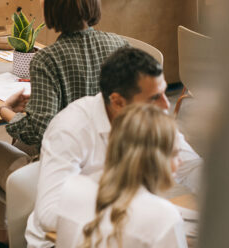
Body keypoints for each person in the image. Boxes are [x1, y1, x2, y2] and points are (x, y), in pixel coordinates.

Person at [0, 0, 128, 247]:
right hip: (111, 169)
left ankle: (1, 243)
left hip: (62, 177)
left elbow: (39, 130)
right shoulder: (119, 46)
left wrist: (7, 113)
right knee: (18, 147)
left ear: (56, 3)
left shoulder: (50, 59)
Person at [25, 47, 201, 247]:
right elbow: (48, 215)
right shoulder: (71, 129)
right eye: (154, 98)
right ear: (118, 102)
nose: (165, 105)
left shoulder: (150, 119)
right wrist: (136, 218)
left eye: (164, 92)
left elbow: (192, 166)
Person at [55, 103, 188, 248]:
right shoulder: (164, 217)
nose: (180, 161)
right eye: (175, 154)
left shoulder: (71, 188)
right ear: (155, 159)